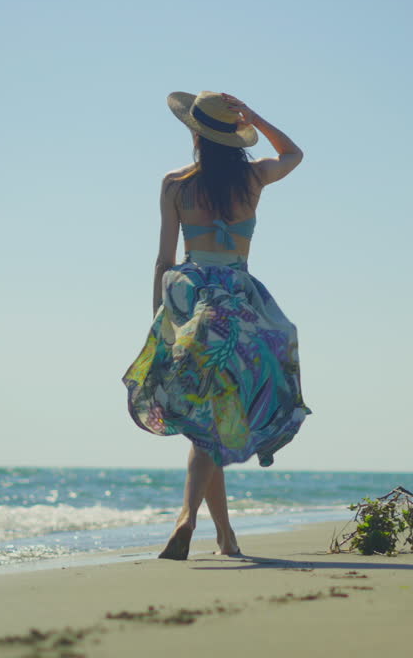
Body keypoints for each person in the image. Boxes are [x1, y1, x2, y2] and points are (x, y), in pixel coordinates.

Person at [122, 91, 310, 560]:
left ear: (195, 133)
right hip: (239, 304)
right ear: (233, 134)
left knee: (208, 424)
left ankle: (203, 527)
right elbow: (294, 154)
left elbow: (165, 258)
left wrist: (158, 321)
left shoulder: (175, 184)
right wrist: (258, 118)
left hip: (190, 300)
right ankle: (213, 531)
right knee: (215, 421)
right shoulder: (253, 178)